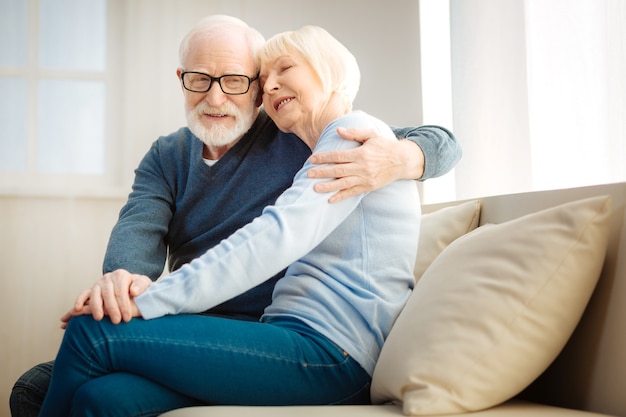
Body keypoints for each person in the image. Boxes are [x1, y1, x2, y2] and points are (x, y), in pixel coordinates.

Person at [10, 15, 461, 417]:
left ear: (254, 88)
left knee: (89, 339)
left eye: (236, 80)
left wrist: (402, 158)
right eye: (200, 79)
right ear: (181, 79)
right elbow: (137, 230)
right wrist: (121, 284)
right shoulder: (169, 156)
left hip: (273, 336)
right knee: (84, 395)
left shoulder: (317, 136)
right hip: (200, 325)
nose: (216, 96)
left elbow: (436, 139)